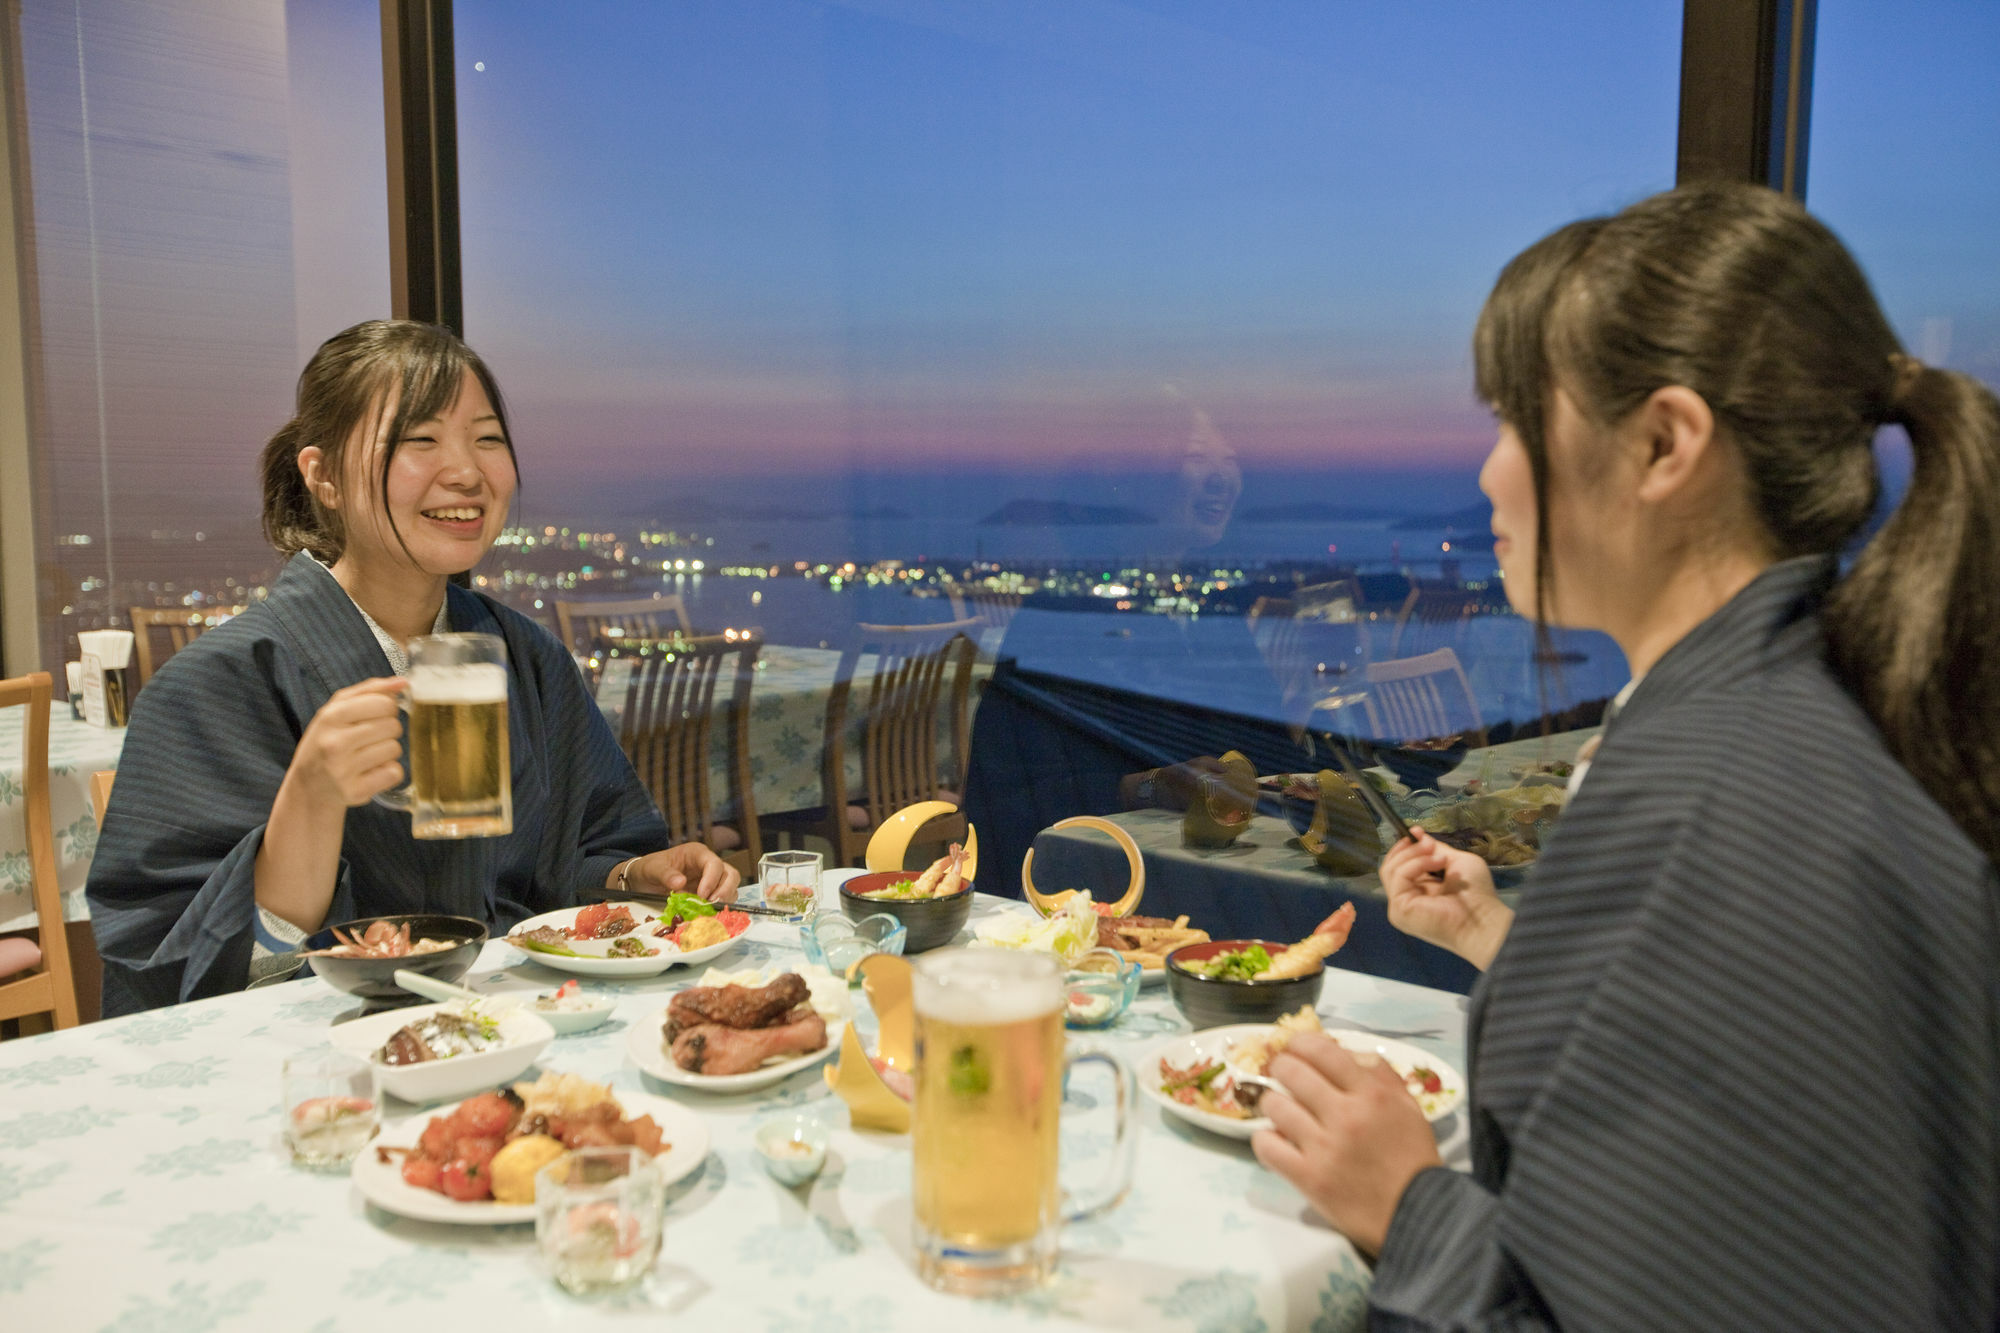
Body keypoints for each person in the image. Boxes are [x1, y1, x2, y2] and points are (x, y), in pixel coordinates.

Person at [1251, 183, 1999, 1328]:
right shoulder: (1840, 710)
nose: (1491, 471)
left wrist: (1405, 1204)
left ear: (1661, 443)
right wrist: (1509, 940)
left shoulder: (1708, 798)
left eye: (1511, 419)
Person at [88, 321, 736, 1016]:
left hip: (516, 1031)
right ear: (324, 475)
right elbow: (173, 986)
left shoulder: (525, 656)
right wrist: (309, 799)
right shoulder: (218, 683)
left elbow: (562, 867)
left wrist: (635, 873)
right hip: (322, 1067)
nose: (466, 471)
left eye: (487, 439)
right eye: (418, 440)